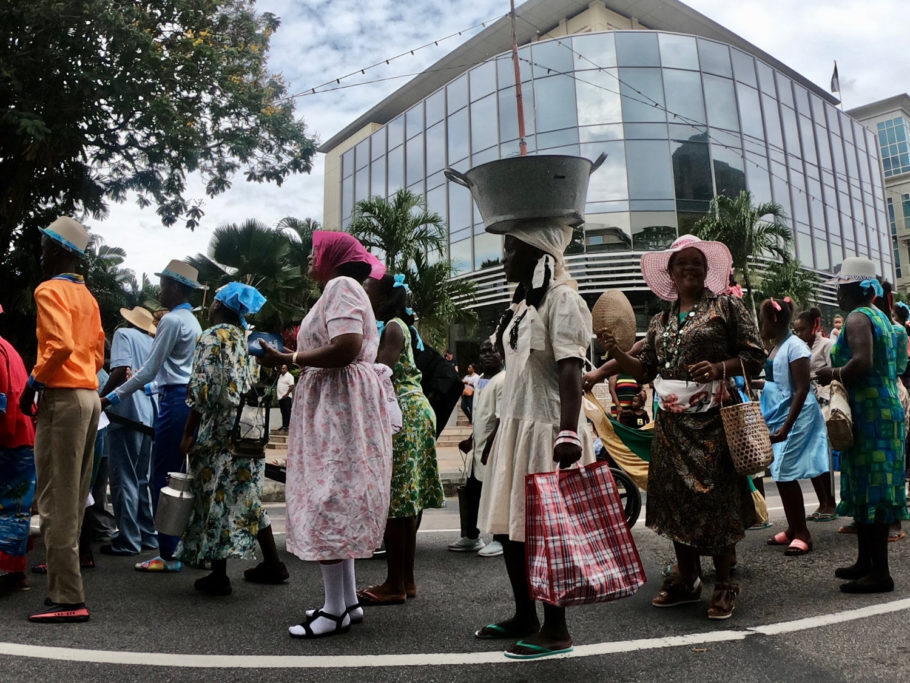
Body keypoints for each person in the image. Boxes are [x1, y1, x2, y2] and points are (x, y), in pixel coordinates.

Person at [603, 235, 764, 621]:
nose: (689, 269)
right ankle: (687, 577)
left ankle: (724, 583)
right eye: (682, 264)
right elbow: (646, 371)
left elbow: (754, 356)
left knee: (716, 501)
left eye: (697, 263)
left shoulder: (727, 307)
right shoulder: (660, 320)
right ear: (670, 273)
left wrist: (719, 368)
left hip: (713, 424)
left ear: (707, 271)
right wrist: (616, 354)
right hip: (672, 427)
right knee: (675, 501)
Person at [258, 231, 394, 638]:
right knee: (335, 499)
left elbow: (348, 345)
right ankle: (346, 602)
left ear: (331, 258)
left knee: (327, 498)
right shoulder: (343, 288)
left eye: (313, 254)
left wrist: (290, 357)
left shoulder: (340, 285)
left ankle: (334, 611)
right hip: (337, 405)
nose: (308, 260)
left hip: (337, 408)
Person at [474, 224, 595, 660]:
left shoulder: (563, 299)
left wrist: (567, 432)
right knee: (512, 531)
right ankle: (524, 615)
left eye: (511, 249)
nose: (504, 259)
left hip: (548, 431)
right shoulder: (525, 302)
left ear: (538, 252)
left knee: (547, 534)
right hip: (518, 427)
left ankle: (556, 628)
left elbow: (570, 371)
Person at [18, 217, 105, 623]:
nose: (40, 253)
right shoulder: (86, 295)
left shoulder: (49, 289)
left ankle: (67, 597)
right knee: (75, 495)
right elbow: (98, 352)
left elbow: (62, 345)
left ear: (57, 250)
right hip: (89, 397)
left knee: (55, 499)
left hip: (64, 398)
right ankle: (67, 587)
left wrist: (34, 381)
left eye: (43, 246)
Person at [176, 282, 286, 595]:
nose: (208, 306)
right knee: (247, 492)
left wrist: (188, 431)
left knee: (214, 493)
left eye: (213, 302)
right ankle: (273, 564)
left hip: (220, 428)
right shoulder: (248, 339)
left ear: (222, 305)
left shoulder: (213, 336)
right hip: (249, 427)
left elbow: (203, 389)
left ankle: (219, 574)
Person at [102, 260, 204, 572]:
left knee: (162, 478)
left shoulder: (172, 321)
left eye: (163, 284)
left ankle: (168, 554)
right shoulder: (192, 322)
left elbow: (149, 370)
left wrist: (112, 396)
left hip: (173, 398)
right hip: (186, 399)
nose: (159, 290)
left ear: (176, 287)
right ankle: (175, 546)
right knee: (176, 475)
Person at [817, 257, 908, 593]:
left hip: (870, 412)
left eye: (841, 286)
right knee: (874, 488)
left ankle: (880, 573)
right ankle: (865, 562)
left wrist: (833, 374)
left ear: (853, 288)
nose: (838, 293)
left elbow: (863, 362)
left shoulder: (856, 317)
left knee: (873, 490)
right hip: (885, 409)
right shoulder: (881, 318)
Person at [359, 273, 445, 605]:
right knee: (406, 504)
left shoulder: (393, 326)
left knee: (397, 503)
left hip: (404, 414)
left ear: (382, 295)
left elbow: (382, 369)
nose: (364, 292)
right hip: (413, 412)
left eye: (368, 288)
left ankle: (394, 584)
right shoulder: (395, 325)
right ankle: (404, 581)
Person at [758, 298, 830, 557]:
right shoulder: (776, 346)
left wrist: (787, 427)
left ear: (774, 320)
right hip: (781, 415)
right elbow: (778, 382)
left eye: (763, 320)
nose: (761, 325)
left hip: (798, 417)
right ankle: (792, 529)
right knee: (780, 472)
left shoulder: (795, 347)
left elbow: (801, 390)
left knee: (784, 471)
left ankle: (803, 534)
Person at [99, 307, 158, 555]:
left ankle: (128, 539)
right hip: (149, 416)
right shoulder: (153, 341)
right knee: (142, 479)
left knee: (123, 478)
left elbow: (121, 371)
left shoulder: (123, 334)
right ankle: (147, 535)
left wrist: (102, 399)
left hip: (126, 413)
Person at [448, 338, 505, 557]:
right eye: (483, 352)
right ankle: (472, 536)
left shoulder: (504, 379)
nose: (487, 355)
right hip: (479, 449)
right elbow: (482, 416)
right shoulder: (481, 380)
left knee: (496, 494)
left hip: (494, 449)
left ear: (501, 354)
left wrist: (490, 448)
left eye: (492, 351)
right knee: (472, 493)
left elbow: (502, 419)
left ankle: (500, 539)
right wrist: (471, 440)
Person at [0, 306, 37, 593]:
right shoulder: (8, 348)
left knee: (8, 508)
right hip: (23, 438)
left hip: (7, 439)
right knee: (17, 508)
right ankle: (14, 573)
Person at [792, 307, 838, 521]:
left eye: (802, 329)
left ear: (813, 327)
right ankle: (822, 501)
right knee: (811, 454)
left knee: (823, 455)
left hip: (824, 404)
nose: (799, 334)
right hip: (806, 405)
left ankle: (831, 502)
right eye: (796, 330)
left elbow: (836, 374)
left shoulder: (827, 346)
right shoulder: (798, 348)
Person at [276, 364, 295, 433]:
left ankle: (289, 426)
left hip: (286, 397)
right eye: (282, 369)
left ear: (287, 369)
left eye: (284, 368)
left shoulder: (289, 376)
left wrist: (286, 394)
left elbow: (292, 386)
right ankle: (284, 426)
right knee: (283, 412)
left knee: (287, 412)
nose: (282, 370)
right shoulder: (280, 376)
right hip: (280, 397)